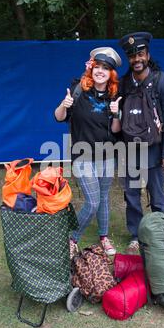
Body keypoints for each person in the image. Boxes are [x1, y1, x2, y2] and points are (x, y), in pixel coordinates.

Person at [54, 47, 122, 258]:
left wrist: (116, 113)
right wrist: (63, 105)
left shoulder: (115, 95)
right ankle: (72, 238)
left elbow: (116, 130)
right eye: (97, 67)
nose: (100, 71)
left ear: (111, 73)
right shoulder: (77, 90)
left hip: (107, 155)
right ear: (91, 68)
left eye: (105, 68)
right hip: (82, 155)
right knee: (92, 202)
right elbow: (58, 117)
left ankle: (103, 237)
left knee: (103, 198)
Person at [118, 32, 164, 254]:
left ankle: (160, 231)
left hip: (154, 149)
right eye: (132, 56)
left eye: (140, 54)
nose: (136, 59)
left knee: (157, 194)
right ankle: (136, 234)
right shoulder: (124, 83)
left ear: (147, 54)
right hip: (129, 149)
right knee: (132, 195)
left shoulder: (163, 80)